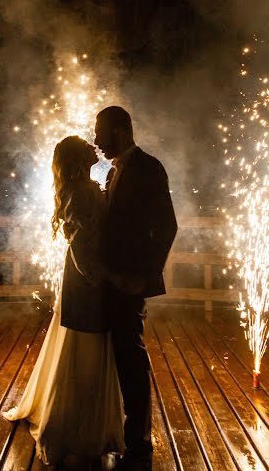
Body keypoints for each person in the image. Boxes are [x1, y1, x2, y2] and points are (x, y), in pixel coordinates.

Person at [2, 135, 124, 469]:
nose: (93, 146)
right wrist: (98, 277)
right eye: (85, 145)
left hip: (88, 274)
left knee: (89, 346)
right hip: (87, 279)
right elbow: (80, 240)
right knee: (85, 345)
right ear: (75, 157)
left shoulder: (85, 187)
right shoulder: (78, 191)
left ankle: (87, 416)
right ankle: (76, 423)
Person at [95, 106, 177, 471]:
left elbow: (167, 225)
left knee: (131, 358)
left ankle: (140, 445)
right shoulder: (113, 172)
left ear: (120, 129)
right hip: (110, 280)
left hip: (130, 282)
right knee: (120, 356)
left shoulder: (148, 167)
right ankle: (121, 433)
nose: (96, 141)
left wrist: (145, 276)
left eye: (101, 132)